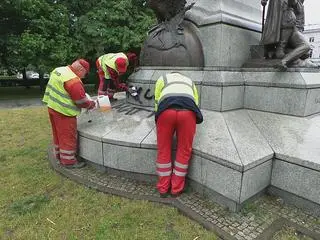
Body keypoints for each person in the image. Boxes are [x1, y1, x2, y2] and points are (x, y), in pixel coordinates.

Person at [154, 72, 203, 197]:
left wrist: (158, 119)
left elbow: (157, 101)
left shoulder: (162, 78)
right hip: (188, 113)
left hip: (166, 111)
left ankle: (163, 188)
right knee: (184, 150)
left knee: (163, 149)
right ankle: (176, 189)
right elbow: (196, 102)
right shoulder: (189, 80)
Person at [43, 59, 96, 168]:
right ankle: (69, 162)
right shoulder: (74, 81)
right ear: (81, 69)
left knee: (58, 134)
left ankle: (59, 155)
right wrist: (92, 104)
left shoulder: (59, 70)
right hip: (64, 112)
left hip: (52, 106)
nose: (83, 77)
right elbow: (81, 102)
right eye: (84, 74)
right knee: (68, 137)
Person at [261, 0, 311, 69]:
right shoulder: (287, 12)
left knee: (305, 53)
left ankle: (281, 56)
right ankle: (284, 61)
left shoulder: (298, 7)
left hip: (292, 26)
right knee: (306, 46)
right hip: (288, 23)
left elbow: (298, 11)